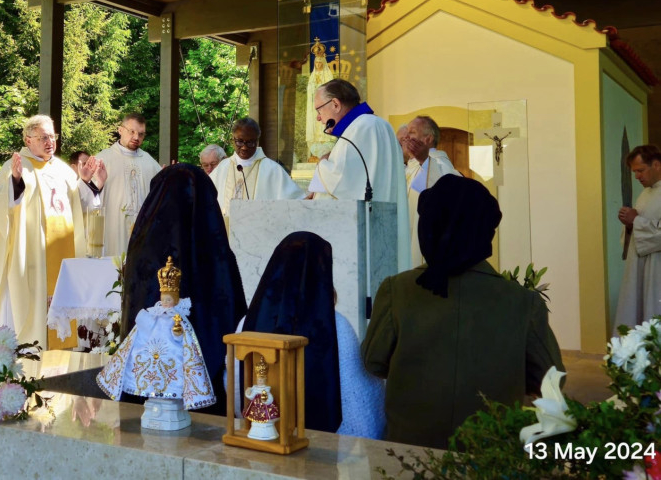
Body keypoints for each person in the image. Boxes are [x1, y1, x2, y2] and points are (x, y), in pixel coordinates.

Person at [361, 174, 563, 449]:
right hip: (492, 455)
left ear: (428, 227)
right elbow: (551, 379)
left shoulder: (397, 290)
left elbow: (373, 362)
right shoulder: (523, 302)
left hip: (408, 453)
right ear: (485, 232)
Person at [120, 163, 247, 416]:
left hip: (143, 391)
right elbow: (230, 310)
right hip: (205, 394)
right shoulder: (215, 249)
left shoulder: (143, 244)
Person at [237, 231, 385, 438]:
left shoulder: (248, 322)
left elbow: (235, 385)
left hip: (258, 431)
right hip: (324, 442)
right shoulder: (338, 325)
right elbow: (359, 397)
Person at [0, 114, 106, 349]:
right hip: (34, 257)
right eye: (43, 137)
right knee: (32, 316)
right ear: (28, 140)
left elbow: (78, 209)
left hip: (63, 255)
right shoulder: (18, 165)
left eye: (52, 136)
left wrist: (85, 183)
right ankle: (30, 355)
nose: (50, 142)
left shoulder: (63, 170)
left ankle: (61, 353)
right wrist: (16, 181)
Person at [310, 79, 411, 273]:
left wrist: (322, 163)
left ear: (336, 104)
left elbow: (342, 182)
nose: (319, 118)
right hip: (382, 224)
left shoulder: (359, 129)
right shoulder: (378, 125)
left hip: (363, 232)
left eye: (319, 110)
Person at [97, 257, 215, 411]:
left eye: (169, 300)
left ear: (175, 300)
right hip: (150, 350)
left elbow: (183, 339)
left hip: (171, 352)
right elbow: (142, 329)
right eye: (164, 299)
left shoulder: (178, 317)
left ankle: (171, 393)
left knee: (174, 367)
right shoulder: (153, 313)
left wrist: (177, 331)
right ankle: (152, 390)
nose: (165, 303)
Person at [209, 117, 304, 217]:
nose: (244, 147)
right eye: (240, 141)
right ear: (233, 139)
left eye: (250, 142)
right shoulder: (222, 168)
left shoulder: (272, 170)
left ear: (257, 141)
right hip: (225, 226)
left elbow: (294, 201)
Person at [95, 113, 161, 257]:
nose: (136, 137)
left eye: (141, 134)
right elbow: (89, 197)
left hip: (142, 228)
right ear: (120, 130)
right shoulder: (103, 159)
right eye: (132, 131)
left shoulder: (150, 162)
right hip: (113, 228)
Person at [403, 115, 461, 267]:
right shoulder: (410, 167)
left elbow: (444, 191)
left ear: (428, 139)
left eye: (412, 132)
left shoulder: (440, 165)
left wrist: (424, 159)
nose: (406, 137)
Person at [613, 144, 661, 329]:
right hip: (639, 268)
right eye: (634, 172)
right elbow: (639, 228)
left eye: (640, 170)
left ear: (656, 165)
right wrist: (629, 224)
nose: (637, 177)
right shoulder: (645, 194)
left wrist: (636, 221)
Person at [304, 38, 337, 159]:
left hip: (325, 107)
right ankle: (315, 154)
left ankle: (326, 150)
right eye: (316, 63)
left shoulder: (328, 75)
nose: (318, 65)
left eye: (320, 63)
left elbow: (330, 91)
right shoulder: (312, 77)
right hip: (315, 109)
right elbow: (310, 92)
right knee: (315, 124)